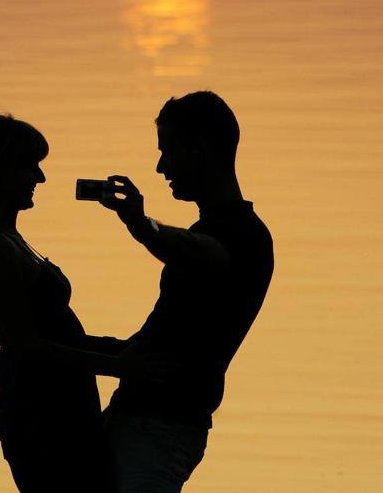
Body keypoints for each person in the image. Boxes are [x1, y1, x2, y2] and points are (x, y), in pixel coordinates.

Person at [0, 114, 166, 493]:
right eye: (31, 166)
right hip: (40, 415)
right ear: (2, 170)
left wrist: (119, 350)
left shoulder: (11, 239)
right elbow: (26, 347)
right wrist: (117, 365)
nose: (39, 178)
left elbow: (55, 333)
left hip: (61, 404)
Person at [100, 91, 274, 493]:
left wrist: (143, 226)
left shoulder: (244, 236)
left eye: (169, 150)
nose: (161, 167)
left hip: (164, 431)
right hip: (134, 419)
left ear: (201, 149)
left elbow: (206, 255)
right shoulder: (210, 231)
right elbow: (164, 338)